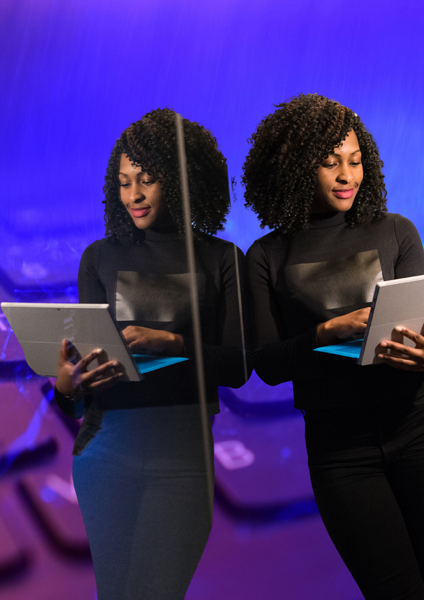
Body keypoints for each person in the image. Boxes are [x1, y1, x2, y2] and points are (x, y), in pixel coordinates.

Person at [54, 108, 250, 600]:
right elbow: (84, 384)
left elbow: (241, 366)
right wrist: (65, 387)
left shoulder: (223, 259)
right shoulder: (99, 258)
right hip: (104, 453)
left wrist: (175, 344)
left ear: (183, 180)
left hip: (183, 459)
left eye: (146, 180)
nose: (134, 195)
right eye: (123, 182)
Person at [244, 93, 424, 599]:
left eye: (355, 160)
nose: (347, 175)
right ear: (297, 168)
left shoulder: (396, 231)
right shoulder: (266, 255)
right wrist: (326, 333)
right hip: (340, 456)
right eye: (330, 163)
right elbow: (265, 365)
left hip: (417, 429)